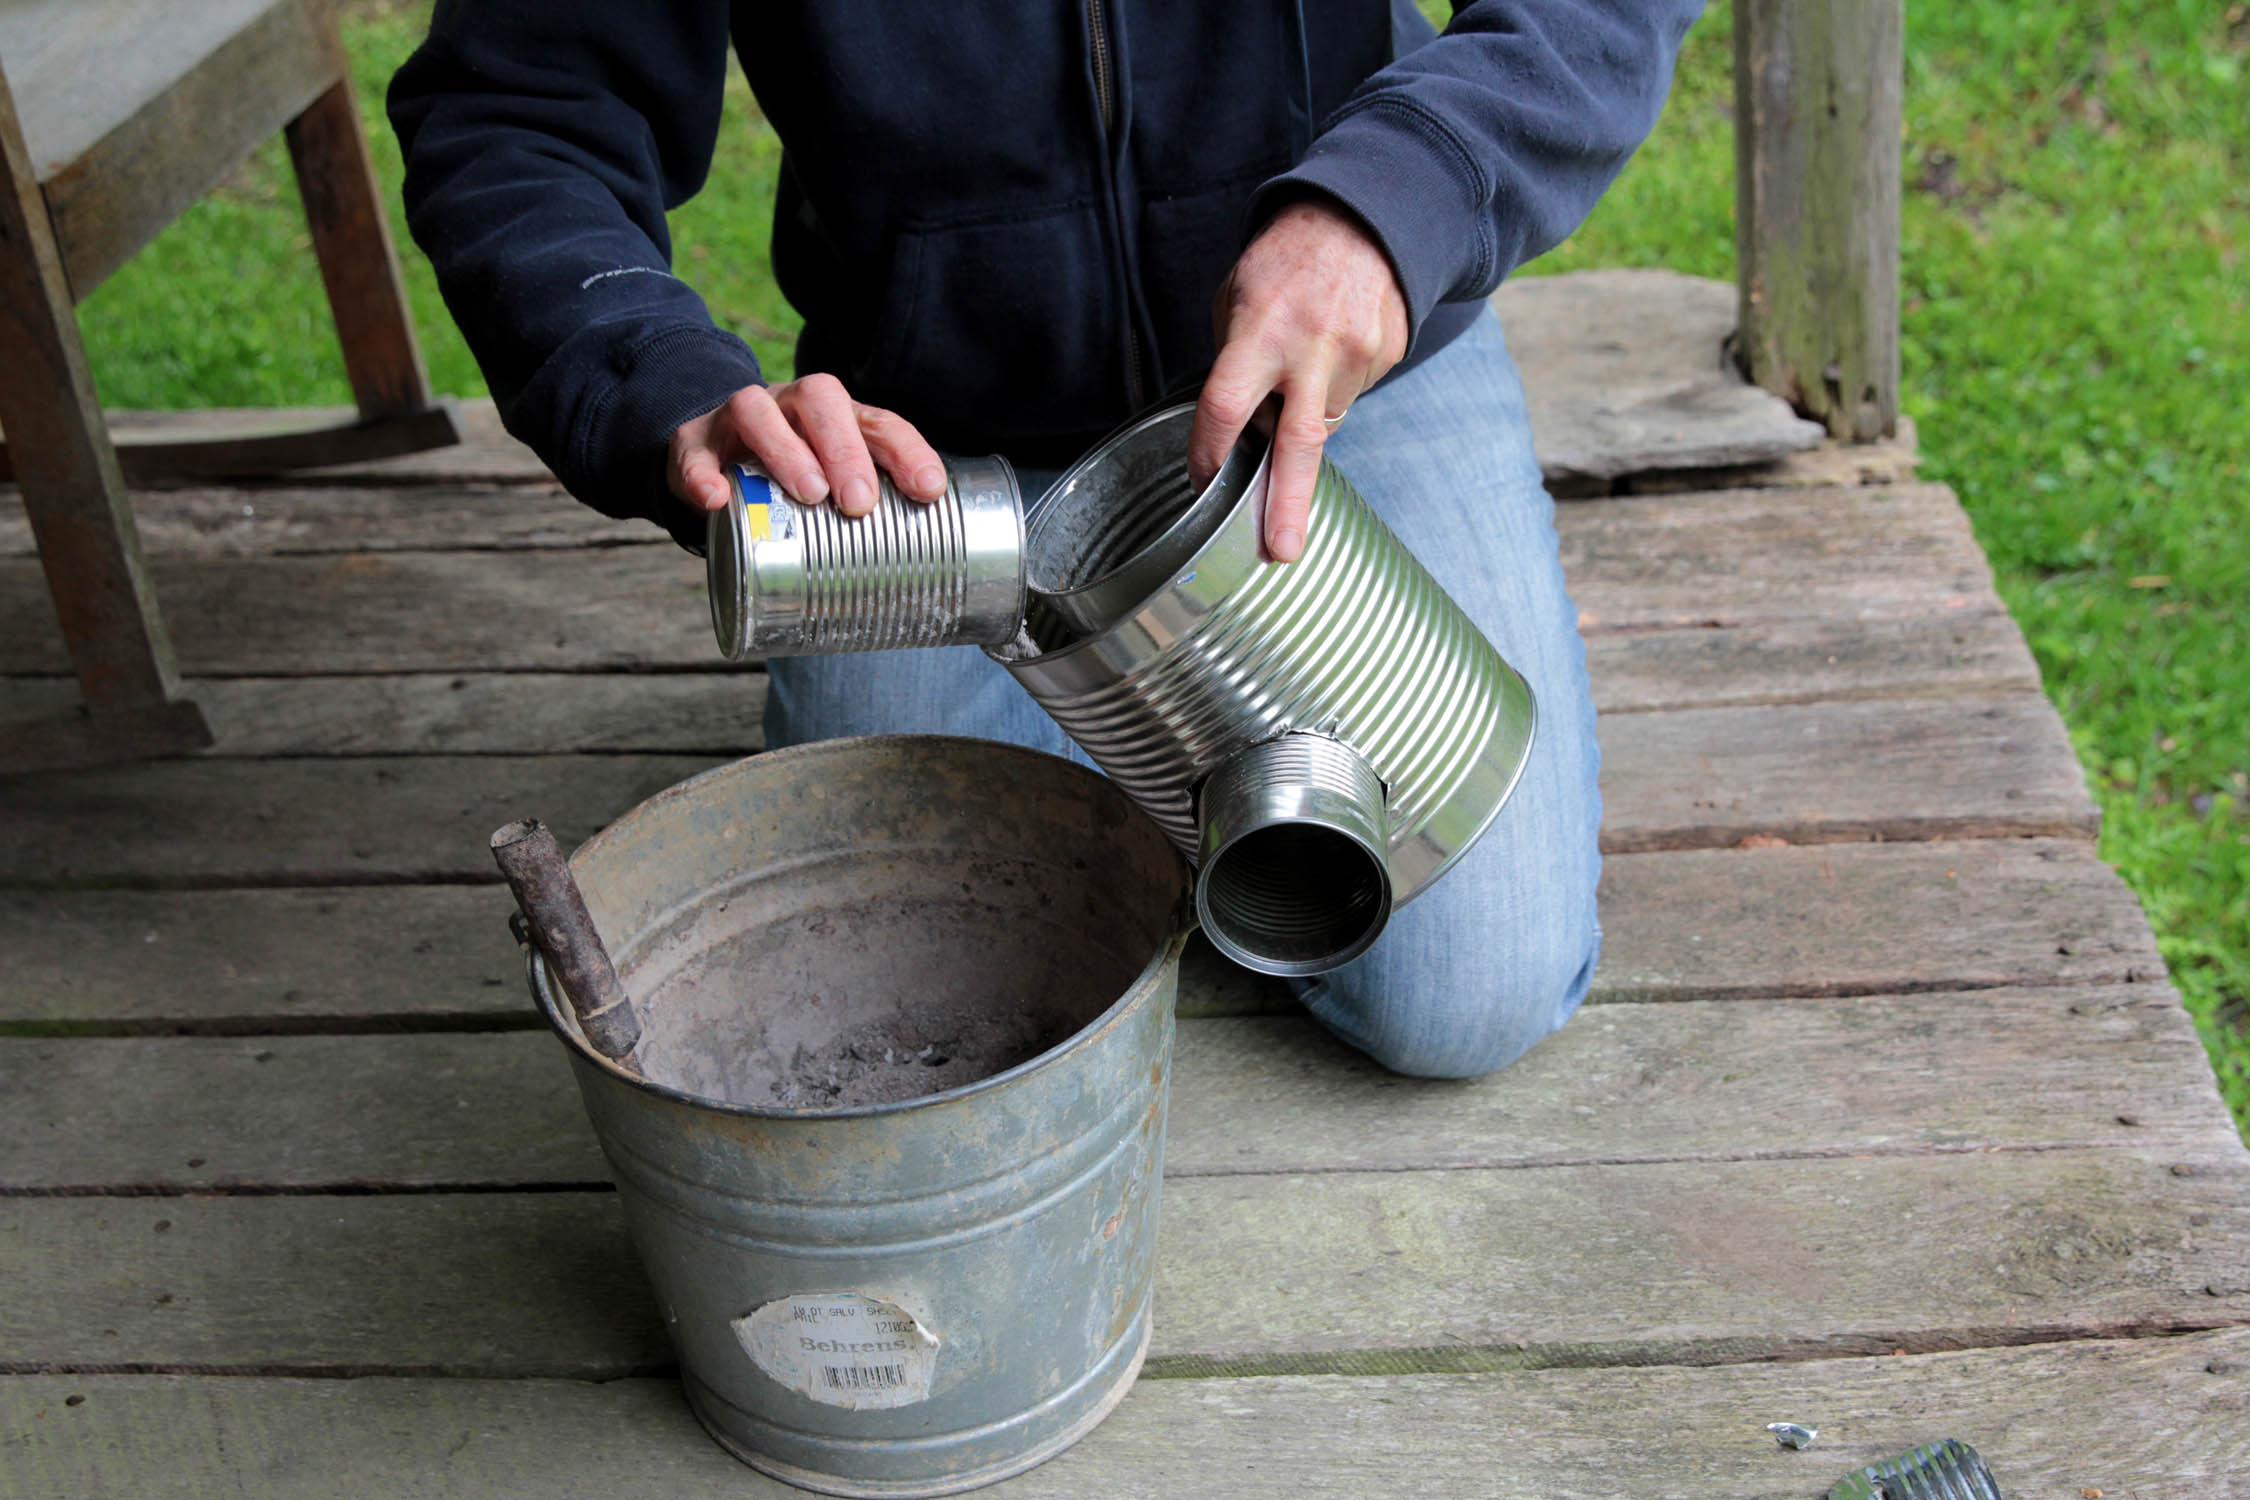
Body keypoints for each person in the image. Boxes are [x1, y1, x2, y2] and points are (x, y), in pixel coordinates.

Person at [389, 0, 1701, 1079]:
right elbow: (518, 109)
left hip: (1337, 367)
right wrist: (657, 379)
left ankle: (1157, 774)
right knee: (890, 1005)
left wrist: (1399, 197)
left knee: (1464, 1002)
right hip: (938, 451)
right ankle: (1160, 775)